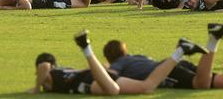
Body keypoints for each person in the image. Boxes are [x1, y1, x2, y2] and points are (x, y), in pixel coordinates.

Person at [104, 23, 223, 90]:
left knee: (201, 84)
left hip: (169, 72)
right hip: (173, 66)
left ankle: (214, 38)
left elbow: (108, 76)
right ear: (125, 51)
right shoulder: (135, 57)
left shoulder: (119, 64)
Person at [30, 30, 208, 95]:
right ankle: (180, 51)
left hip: (87, 83)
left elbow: (44, 65)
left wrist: (36, 88)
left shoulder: (50, 75)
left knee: (113, 90)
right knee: (147, 87)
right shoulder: (63, 72)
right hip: (90, 78)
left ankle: (86, 48)